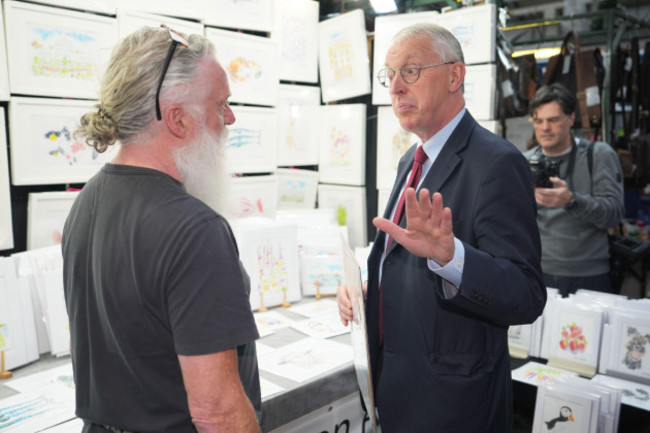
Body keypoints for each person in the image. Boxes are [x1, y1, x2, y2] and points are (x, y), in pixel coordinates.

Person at [337, 23, 546, 432]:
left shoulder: (497, 164)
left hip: (454, 410)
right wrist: (369, 291)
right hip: (397, 393)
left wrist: (453, 258)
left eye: (410, 71)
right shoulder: (410, 162)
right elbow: (403, 262)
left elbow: (526, 294)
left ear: (455, 76)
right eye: (389, 75)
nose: (396, 87)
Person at [62, 25, 261, 433]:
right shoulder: (196, 230)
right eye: (221, 104)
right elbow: (217, 413)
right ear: (178, 119)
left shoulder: (87, 201)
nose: (231, 118)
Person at [523, 83, 625, 297]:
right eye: (539, 121)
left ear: (570, 119)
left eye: (553, 120)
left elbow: (613, 214)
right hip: (537, 272)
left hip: (589, 274)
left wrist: (571, 201)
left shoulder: (598, 155)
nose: (545, 128)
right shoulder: (522, 161)